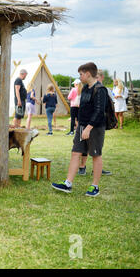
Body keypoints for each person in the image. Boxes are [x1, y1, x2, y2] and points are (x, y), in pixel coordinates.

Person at [52, 62, 108, 197]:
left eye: (81, 74)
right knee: (75, 153)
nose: (80, 77)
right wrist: (78, 123)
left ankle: (95, 187)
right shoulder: (86, 88)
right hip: (81, 127)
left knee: (95, 155)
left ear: (88, 73)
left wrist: (88, 128)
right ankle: (68, 183)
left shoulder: (100, 90)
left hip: (94, 128)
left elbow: (99, 111)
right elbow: (82, 108)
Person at [78, 70, 112, 176]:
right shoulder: (87, 88)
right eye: (94, 76)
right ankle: (82, 167)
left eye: (97, 77)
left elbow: (106, 107)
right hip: (87, 122)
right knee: (83, 147)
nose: (95, 79)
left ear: (101, 78)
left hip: (98, 123)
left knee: (97, 149)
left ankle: (96, 169)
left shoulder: (103, 90)